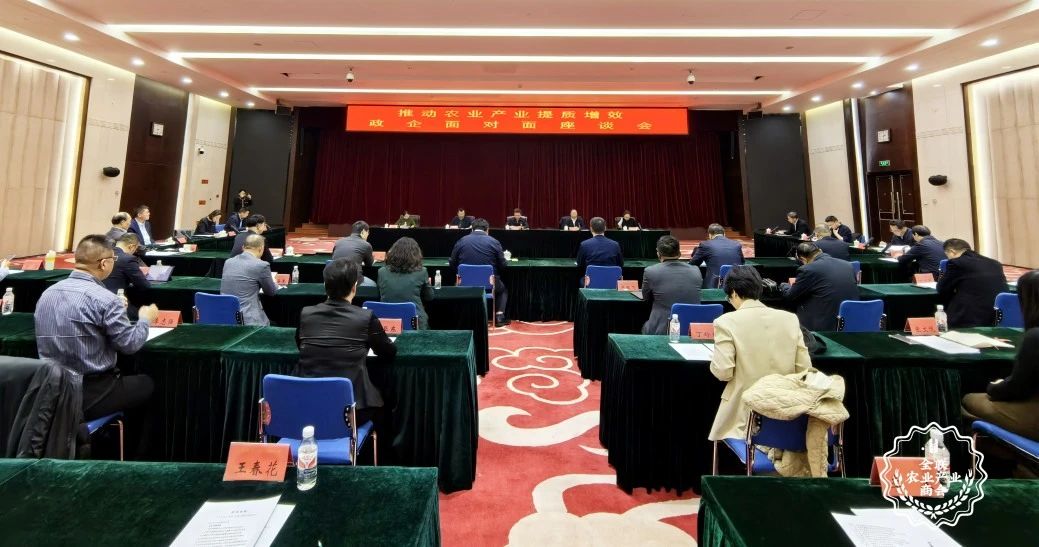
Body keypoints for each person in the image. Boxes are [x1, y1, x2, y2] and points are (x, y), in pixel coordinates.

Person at [34, 235, 159, 426]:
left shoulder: (47, 293)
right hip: (91, 392)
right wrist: (145, 320)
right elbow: (129, 345)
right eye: (113, 259)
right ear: (104, 264)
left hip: (49, 389)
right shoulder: (106, 299)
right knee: (147, 384)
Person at [708, 266, 812, 442]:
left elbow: (723, 372)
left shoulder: (725, 322)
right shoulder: (790, 319)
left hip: (744, 415)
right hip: (786, 414)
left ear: (734, 293)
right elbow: (805, 370)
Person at [295, 258, 397, 432]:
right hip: (351, 410)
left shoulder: (306, 314)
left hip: (307, 404)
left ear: (325, 285)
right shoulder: (365, 317)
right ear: (354, 287)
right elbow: (388, 351)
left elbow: (300, 344)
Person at [962, 269, 1039, 441]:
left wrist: (994, 387)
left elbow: (1017, 389)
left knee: (969, 400)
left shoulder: (1034, 337)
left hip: (1034, 416)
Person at [780, 242, 859, 332]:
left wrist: (784, 285)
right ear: (820, 250)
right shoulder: (848, 265)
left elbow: (790, 296)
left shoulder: (808, 269)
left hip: (823, 325)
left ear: (803, 259)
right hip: (850, 322)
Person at [450, 218, 510, 327]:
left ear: (472, 229)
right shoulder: (494, 242)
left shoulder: (461, 240)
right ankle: (499, 316)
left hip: (464, 284)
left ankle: (460, 317)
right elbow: (503, 265)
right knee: (502, 290)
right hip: (490, 283)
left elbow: (452, 262)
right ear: (487, 230)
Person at [937, 238, 1007, 328]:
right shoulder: (995, 263)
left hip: (969, 317)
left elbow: (942, 288)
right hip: (995, 315)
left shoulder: (956, 263)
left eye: (947, 255)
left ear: (952, 251)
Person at [641, 235, 703, 334]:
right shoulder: (696, 270)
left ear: (658, 253)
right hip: (693, 328)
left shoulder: (650, 271)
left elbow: (645, 298)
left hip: (662, 328)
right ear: (679, 253)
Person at [221, 233, 279, 326]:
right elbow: (271, 292)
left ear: (243, 247)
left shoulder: (228, 262)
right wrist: (275, 283)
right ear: (261, 248)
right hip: (248, 319)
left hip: (225, 315)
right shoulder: (262, 265)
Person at [377, 237, 434, 329]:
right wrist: (427, 285)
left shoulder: (381, 272)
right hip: (415, 322)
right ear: (416, 255)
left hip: (387, 321)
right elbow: (429, 297)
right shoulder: (422, 272)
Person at [102, 234, 151, 320]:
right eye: (135, 249)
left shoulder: (102, 255)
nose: (135, 252)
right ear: (131, 246)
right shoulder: (128, 259)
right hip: (117, 303)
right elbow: (144, 285)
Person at [690, 223, 745, 288]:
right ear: (724, 234)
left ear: (710, 235)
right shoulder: (737, 244)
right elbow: (742, 262)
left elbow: (693, 263)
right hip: (738, 285)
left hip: (715, 285)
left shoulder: (705, 245)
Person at [331, 221, 377, 287]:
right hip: (353, 280)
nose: (368, 235)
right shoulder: (366, 245)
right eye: (368, 232)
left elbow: (333, 258)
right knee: (374, 285)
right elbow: (369, 264)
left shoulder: (339, 242)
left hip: (335, 278)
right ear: (363, 231)